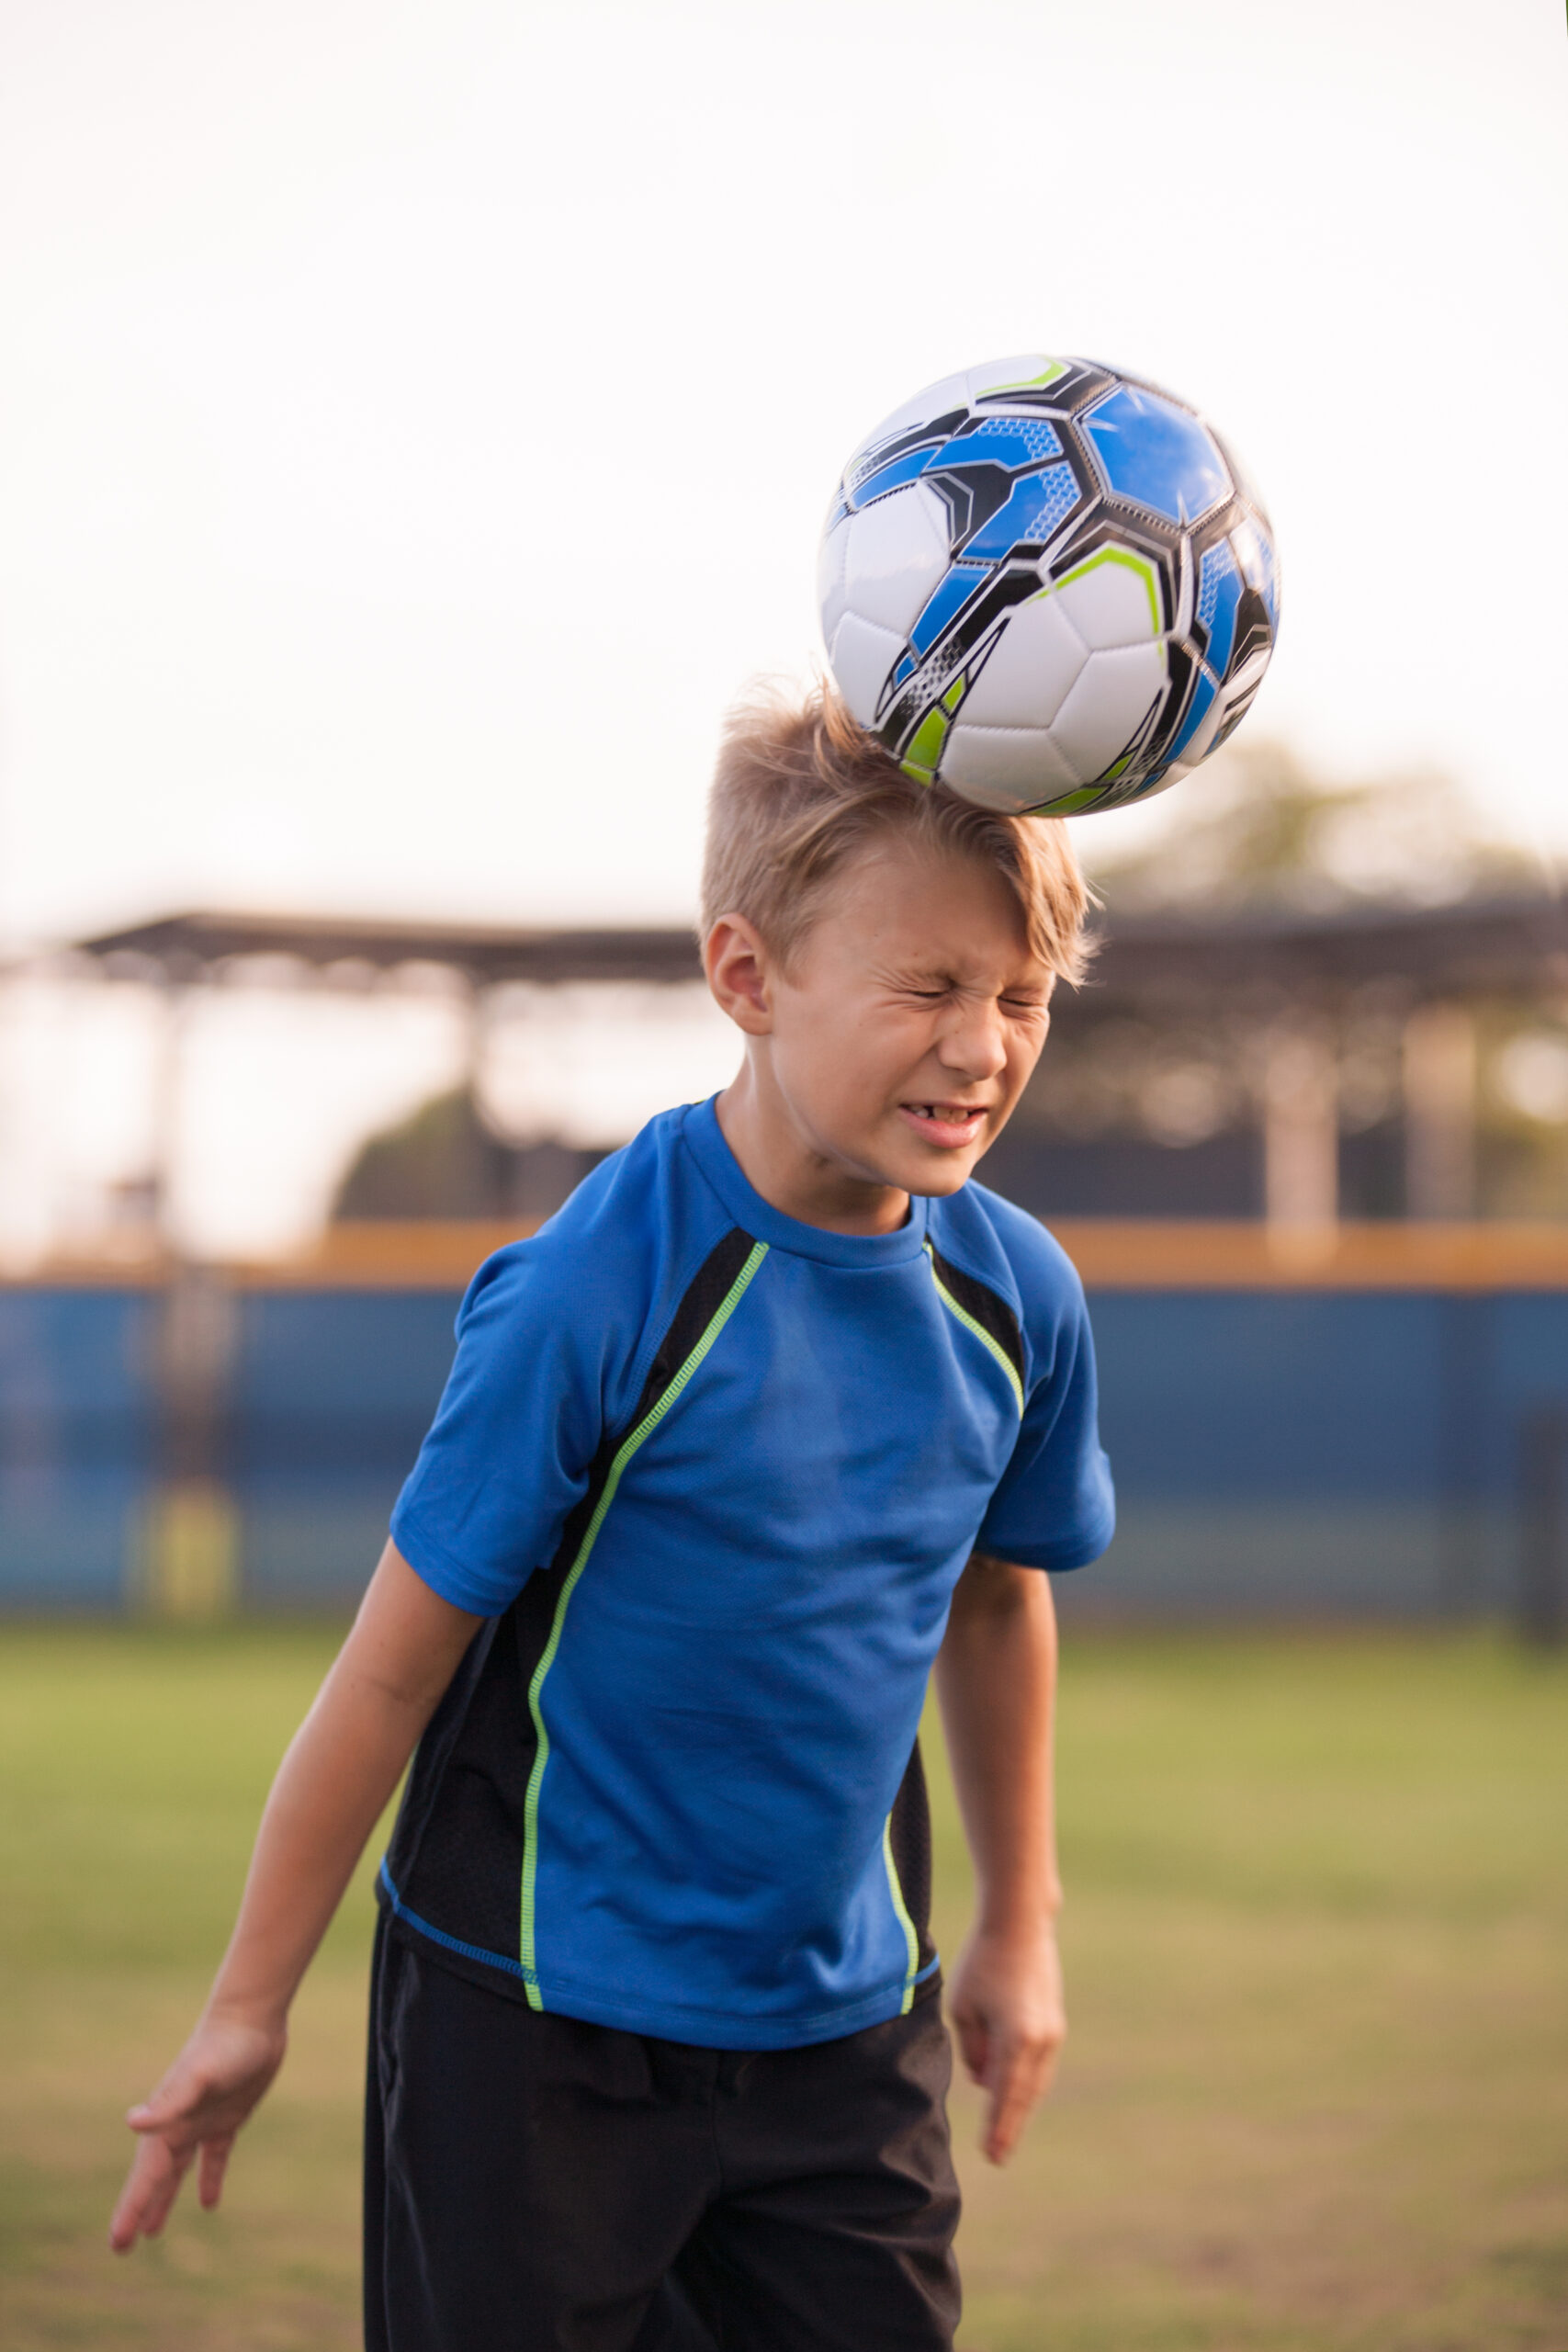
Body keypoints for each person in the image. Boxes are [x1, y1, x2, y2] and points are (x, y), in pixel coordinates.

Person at [109, 683, 1115, 2350]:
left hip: (842, 2044)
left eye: (1020, 995)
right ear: (748, 975)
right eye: (928, 986)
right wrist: (246, 2008)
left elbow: (998, 1603)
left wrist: (1018, 1923)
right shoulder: (594, 1289)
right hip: (532, 2037)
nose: (982, 1043)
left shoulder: (1021, 1300)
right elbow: (384, 1679)